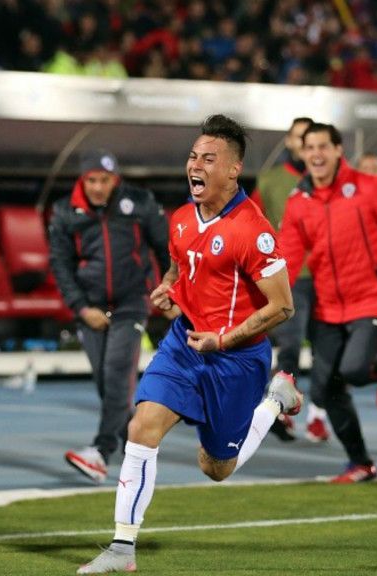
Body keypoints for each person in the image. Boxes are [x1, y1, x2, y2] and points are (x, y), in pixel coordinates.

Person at [77, 115, 302, 573]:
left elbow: (282, 307)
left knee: (217, 468)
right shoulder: (181, 219)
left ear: (233, 170)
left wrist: (224, 339)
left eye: (208, 159)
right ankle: (122, 548)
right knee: (141, 426)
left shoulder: (253, 231)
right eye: (193, 156)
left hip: (236, 360)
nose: (195, 165)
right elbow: (179, 271)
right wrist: (168, 291)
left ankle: (275, 401)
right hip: (184, 344)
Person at [278, 123, 377, 484]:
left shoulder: (367, 189)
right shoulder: (298, 201)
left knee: (351, 370)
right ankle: (361, 463)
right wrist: (265, 297)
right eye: (309, 147)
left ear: (337, 150)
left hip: (371, 300)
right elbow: (287, 257)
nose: (316, 154)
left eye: (323, 146)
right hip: (328, 307)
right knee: (324, 388)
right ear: (302, 153)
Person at [49, 149, 170, 483]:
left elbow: (164, 249)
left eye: (104, 180)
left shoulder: (140, 202)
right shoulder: (64, 212)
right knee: (107, 383)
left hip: (132, 302)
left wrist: (170, 289)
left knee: (117, 374)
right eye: (92, 180)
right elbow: (60, 265)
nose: (98, 187)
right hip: (90, 308)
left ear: (115, 179)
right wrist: (82, 309)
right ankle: (137, 436)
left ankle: (100, 453)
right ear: (82, 179)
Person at [252, 116, 330, 443]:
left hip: (328, 276)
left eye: (310, 139)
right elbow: (253, 224)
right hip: (290, 276)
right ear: (289, 141)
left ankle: (318, 415)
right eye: (299, 138)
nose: (303, 145)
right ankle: (279, 410)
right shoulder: (269, 181)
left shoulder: (328, 181)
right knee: (290, 346)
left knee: (327, 351)